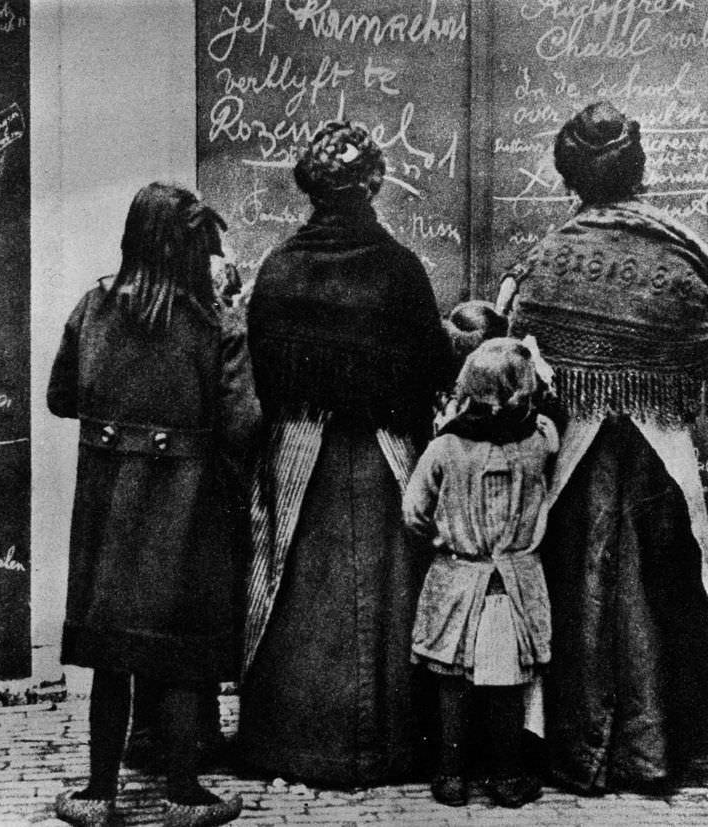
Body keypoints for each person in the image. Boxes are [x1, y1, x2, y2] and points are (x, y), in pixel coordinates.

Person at [497, 101, 708, 794]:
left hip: (574, 451)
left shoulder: (546, 255)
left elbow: (521, 338)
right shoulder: (683, 250)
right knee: (662, 590)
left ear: (571, 175)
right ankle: (655, 750)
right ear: (638, 168)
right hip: (662, 449)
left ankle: (580, 749)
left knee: (579, 589)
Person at [237, 121, 456, 787]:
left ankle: (291, 742)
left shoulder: (279, 269)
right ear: (374, 184)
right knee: (391, 595)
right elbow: (428, 368)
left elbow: (263, 378)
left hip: (300, 457)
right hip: (385, 458)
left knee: (294, 590)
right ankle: (388, 744)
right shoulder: (399, 269)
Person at [46, 182, 259, 827]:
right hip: (190, 508)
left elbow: (61, 398)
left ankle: (98, 794)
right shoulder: (216, 323)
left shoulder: (93, 306)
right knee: (183, 649)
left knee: (114, 652)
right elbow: (244, 424)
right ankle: (185, 794)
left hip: (108, 506)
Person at [402, 338, 558, 809]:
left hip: (458, 577)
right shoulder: (539, 442)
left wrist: (440, 540)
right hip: (515, 581)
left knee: (452, 679)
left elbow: (413, 511)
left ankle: (451, 776)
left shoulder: (444, 447)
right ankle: (507, 777)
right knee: (507, 682)